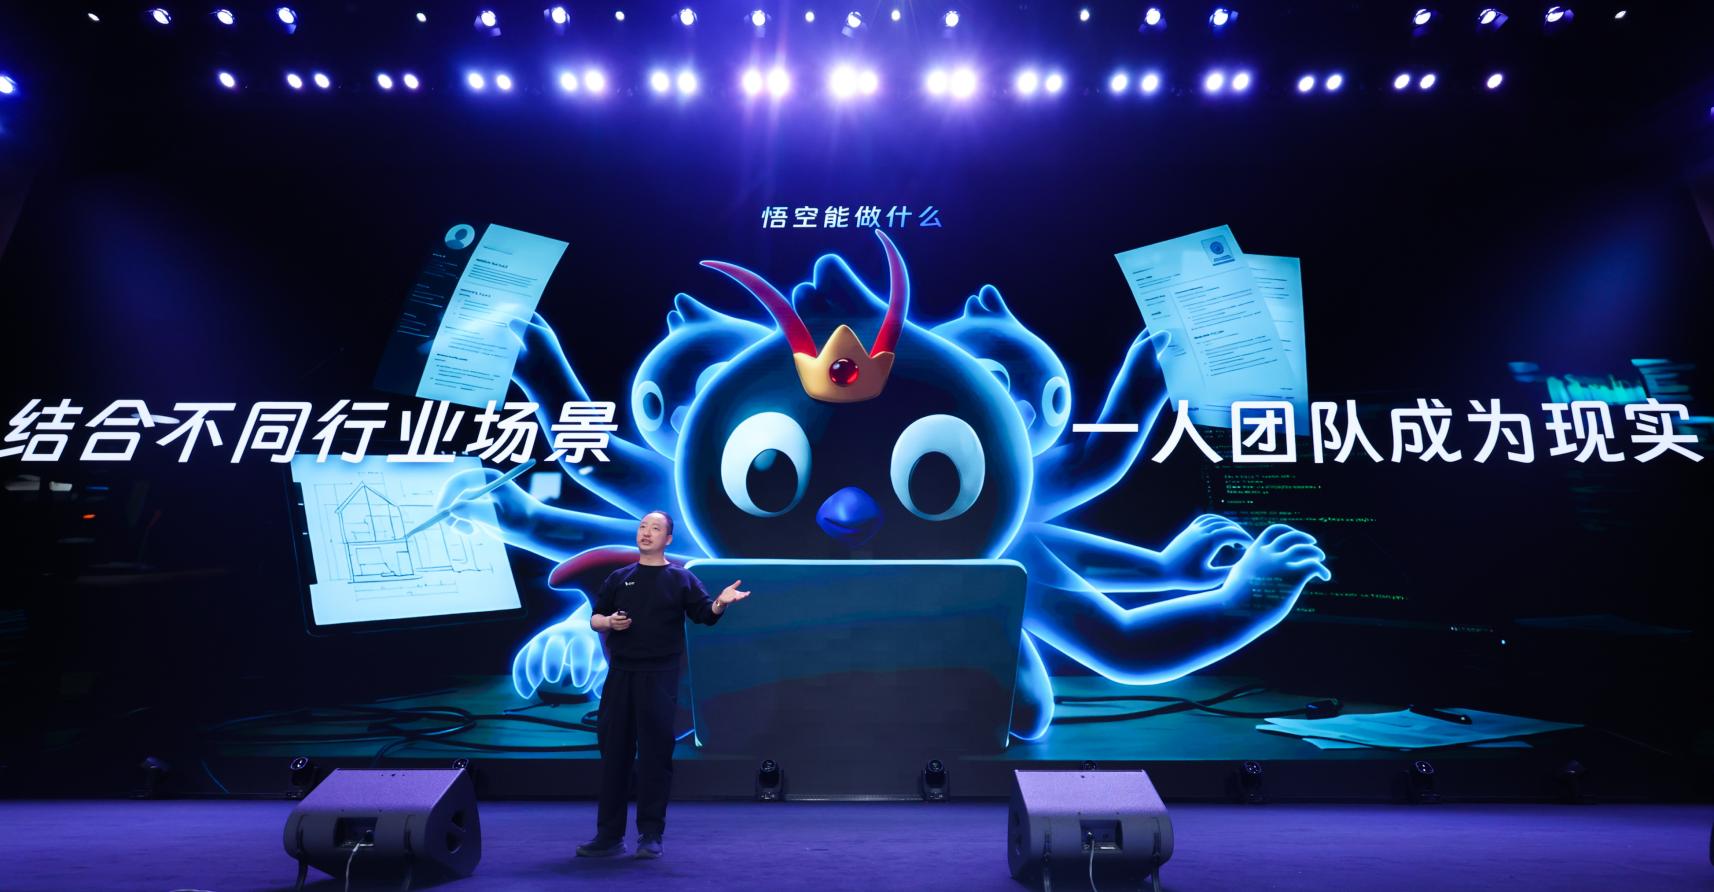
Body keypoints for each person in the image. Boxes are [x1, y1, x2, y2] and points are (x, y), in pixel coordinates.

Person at [576, 510, 750, 860]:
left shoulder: (680, 579)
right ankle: (608, 836)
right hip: (621, 674)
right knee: (615, 755)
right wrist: (608, 622)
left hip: (659, 675)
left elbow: (705, 615)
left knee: (655, 756)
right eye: (643, 527)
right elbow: (595, 618)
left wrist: (720, 602)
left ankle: (650, 834)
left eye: (655, 528)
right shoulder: (619, 577)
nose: (646, 532)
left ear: (668, 539)